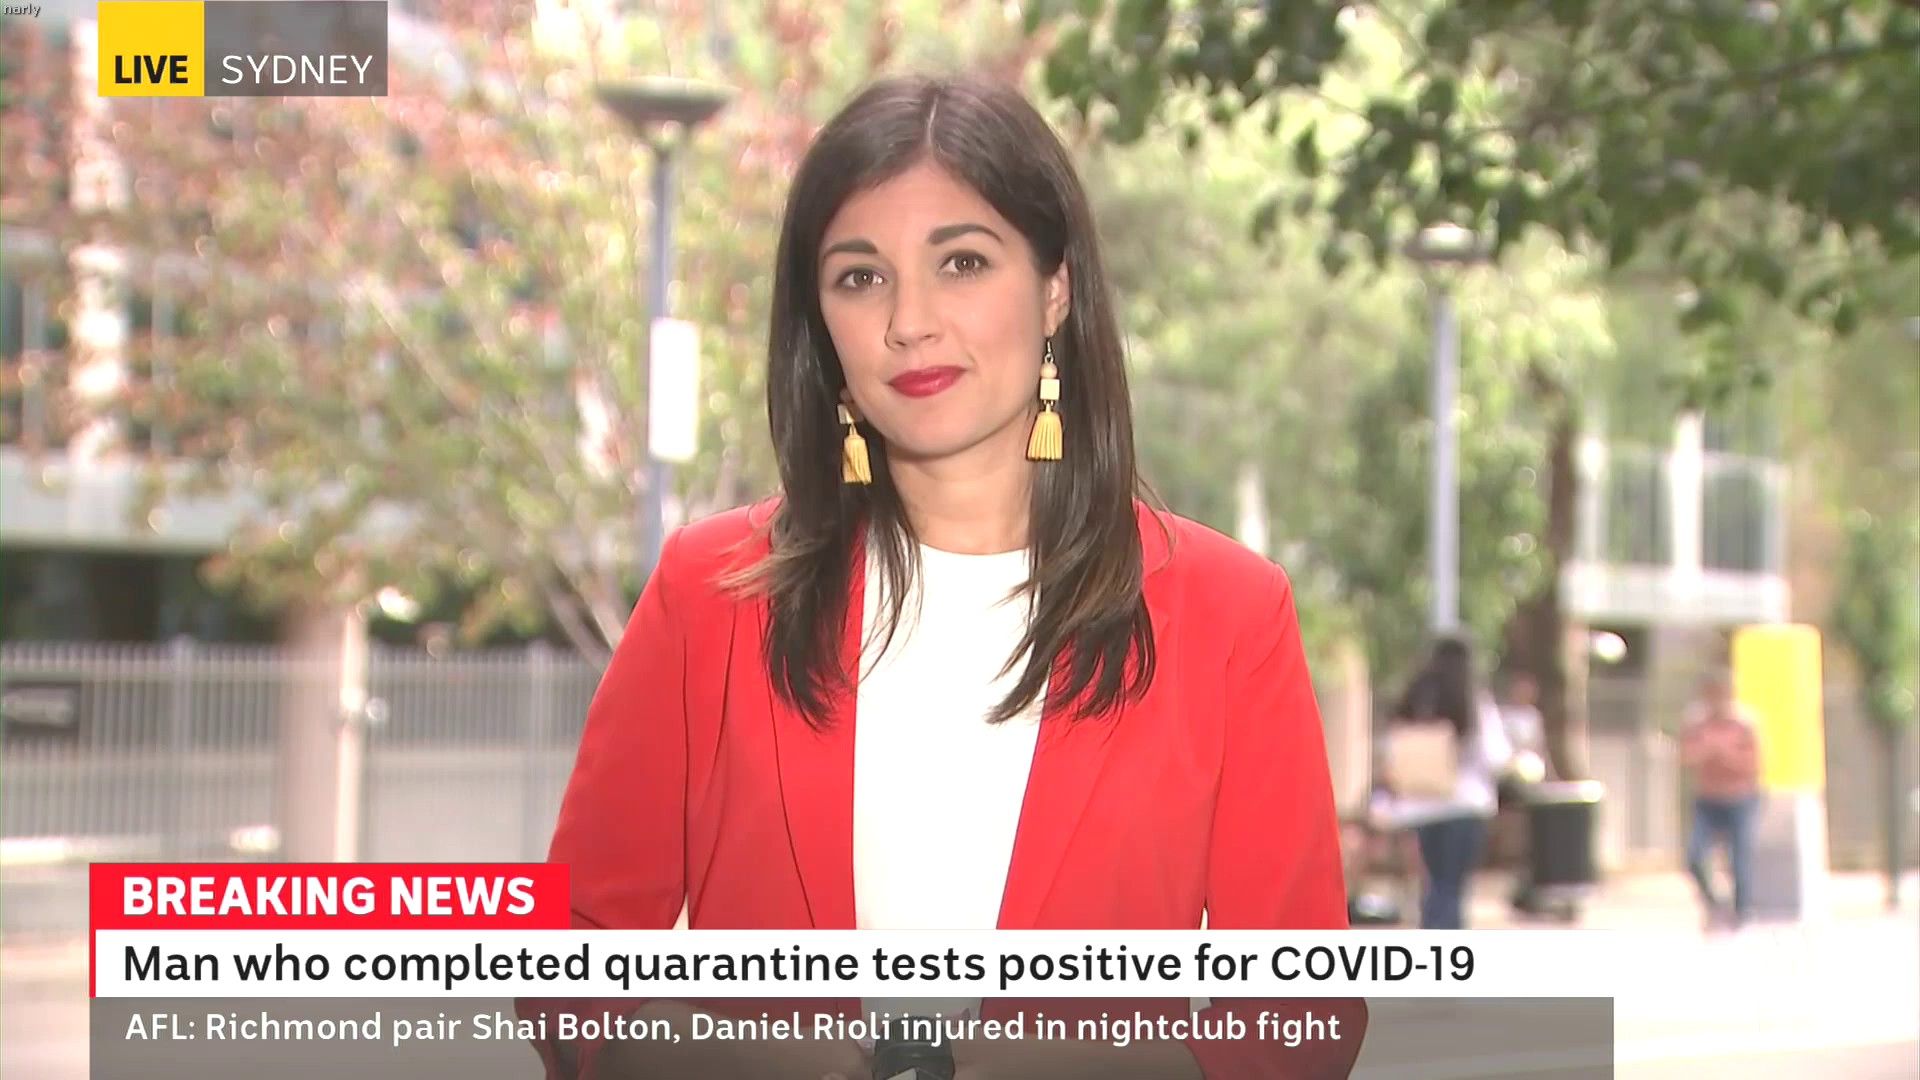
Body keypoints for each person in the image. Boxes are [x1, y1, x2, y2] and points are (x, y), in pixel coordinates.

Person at [518, 72, 1364, 1079]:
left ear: (1055, 290)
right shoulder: (711, 594)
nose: (909, 321)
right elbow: (571, 967)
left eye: (961, 262)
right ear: (820, 320)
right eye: (860, 277)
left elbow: (1302, 1016)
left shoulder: (1229, 615)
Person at [1380, 637, 1513, 929]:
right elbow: (1495, 756)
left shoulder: (1416, 699)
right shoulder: (1472, 700)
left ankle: (1431, 935)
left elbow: (1393, 748)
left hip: (1421, 807)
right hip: (1465, 806)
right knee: (1452, 886)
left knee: (1434, 883)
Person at [1679, 671, 1762, 931]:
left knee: (1739, 859)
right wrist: (1705, 753)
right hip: (1708, 800)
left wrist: (1726, 756)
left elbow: (1754, 764)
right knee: (1695, 855)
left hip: (1739, 799)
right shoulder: (1697, 722)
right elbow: (1686, 756)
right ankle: (1714, 904)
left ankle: (1742, 911)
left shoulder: (1745, 724)